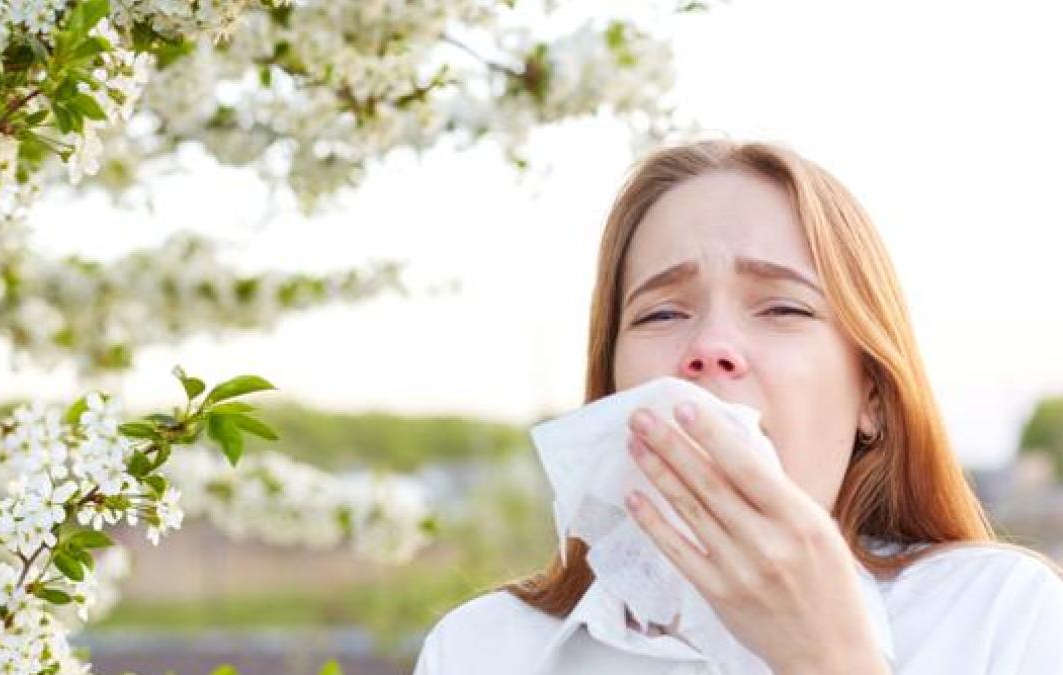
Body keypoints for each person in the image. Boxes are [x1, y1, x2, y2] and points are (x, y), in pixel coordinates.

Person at [411, 139, 1063, 674]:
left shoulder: (1001, 616)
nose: (711, 348)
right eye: (662, 311)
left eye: (782, 307)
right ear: (611, 388)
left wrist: (830, 659)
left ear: (872, 394)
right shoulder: (479, 649)